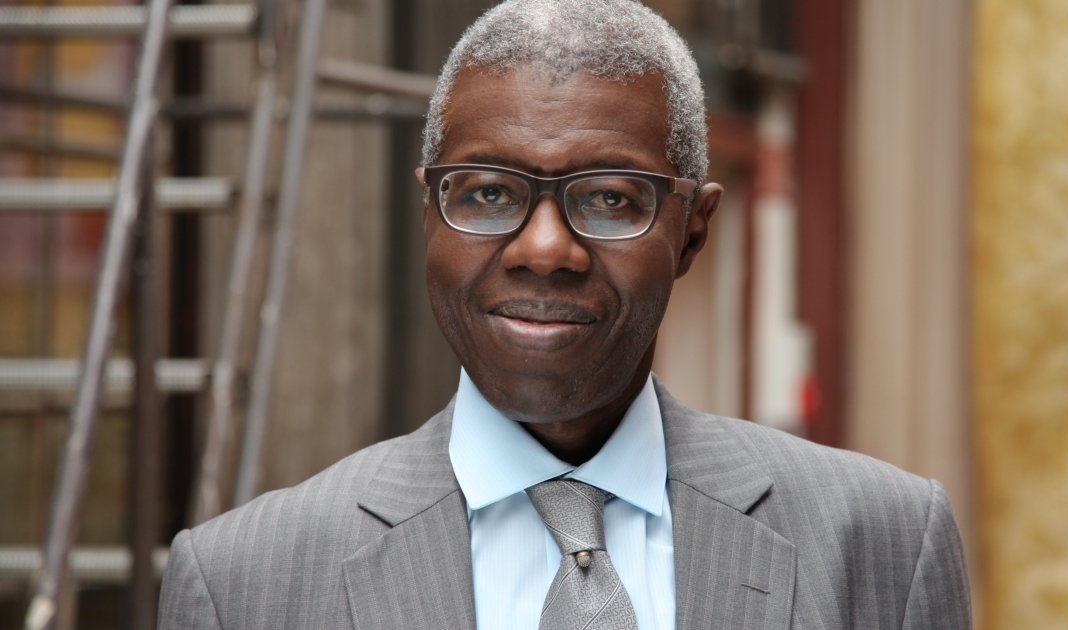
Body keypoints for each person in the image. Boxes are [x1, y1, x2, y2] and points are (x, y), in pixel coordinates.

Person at [158, 0, 971, 628]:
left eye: (611, 199)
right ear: (429, 213)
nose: (545, 249)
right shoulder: (245, 583)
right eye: (487, 193)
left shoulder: (884, 544)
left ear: (693, 230)